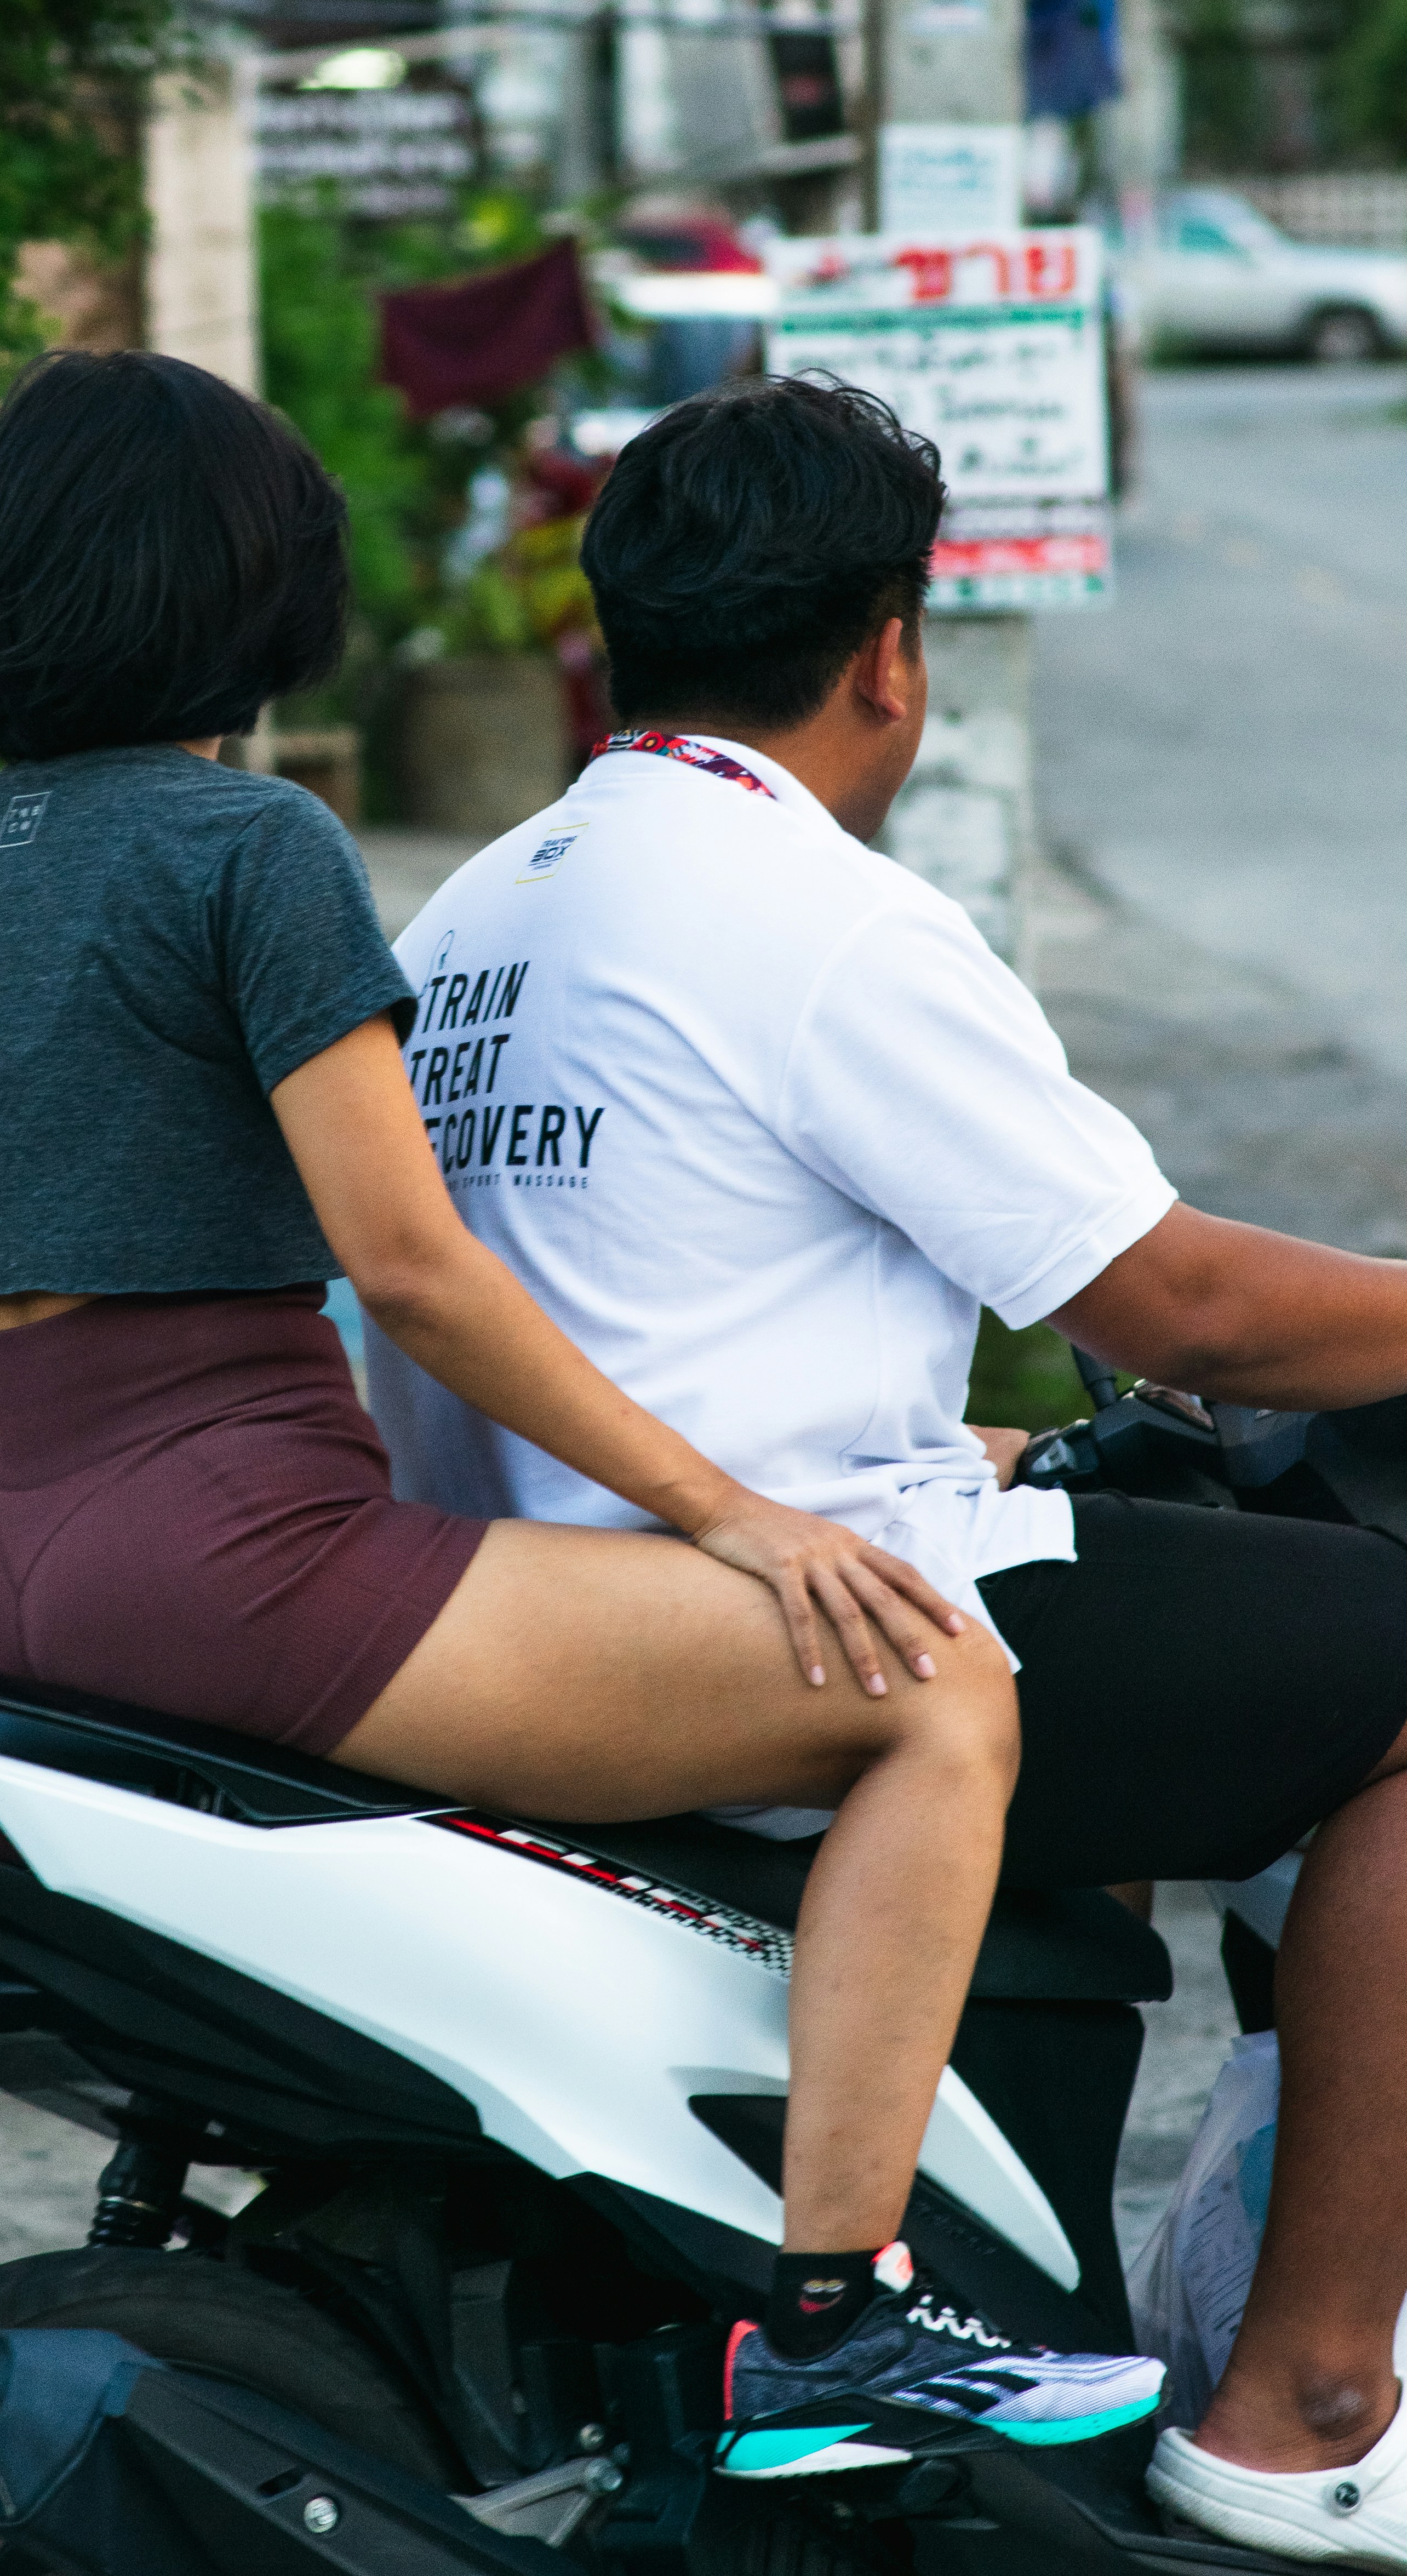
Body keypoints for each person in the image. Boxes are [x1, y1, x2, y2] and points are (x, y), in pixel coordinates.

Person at [0, 346, 1161, 2476]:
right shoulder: (251, 844)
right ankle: (837, 2318)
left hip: (18, 1539)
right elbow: (411, 1265)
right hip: (236, 1544)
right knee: (932, 1684)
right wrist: (734, 1510)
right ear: (253, 597)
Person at [363, 373, 1407, 2561]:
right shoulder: (815, 909)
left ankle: (1045, 2317)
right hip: (810, 1634)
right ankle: (1309, 2399)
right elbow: (1179, 1308)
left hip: (546, 1620)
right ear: (889, 652)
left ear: (614, 634)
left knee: (1157, 1605)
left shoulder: (474, 915)